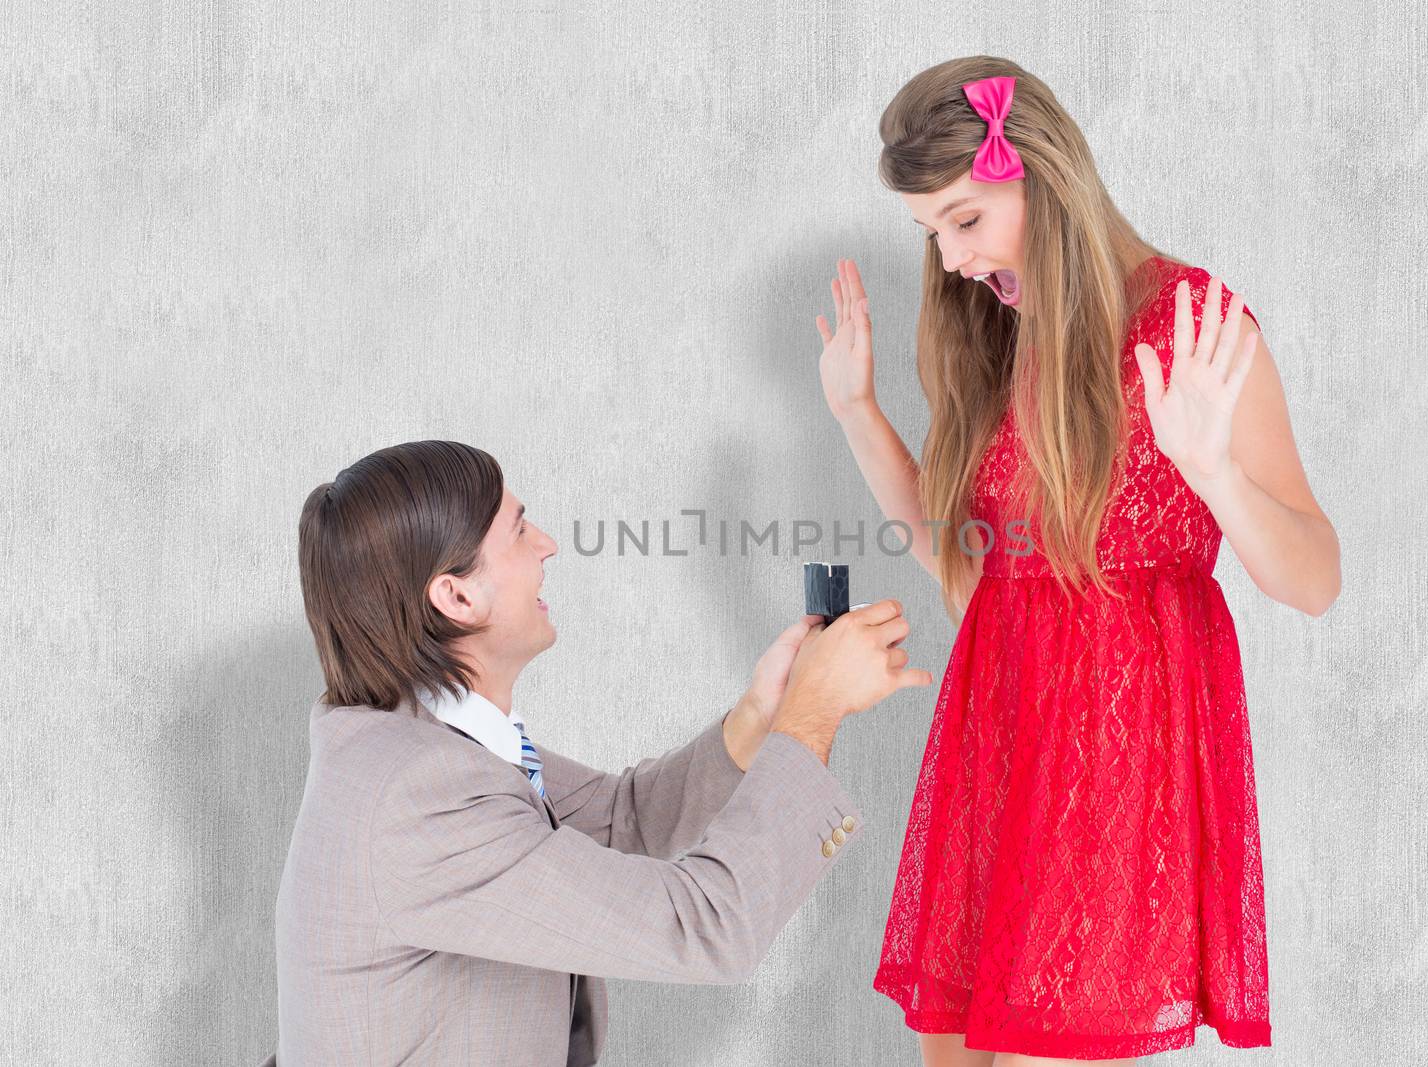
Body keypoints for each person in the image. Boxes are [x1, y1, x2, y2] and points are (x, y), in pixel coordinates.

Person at [813, 57, 1341, 1065]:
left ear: (1037, 172)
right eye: (931, 231)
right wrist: (857, 414)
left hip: (1113, 767)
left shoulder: (1192, 322)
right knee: (952, 1054)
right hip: (997, 746)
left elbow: (1313, 578)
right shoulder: (999, 333)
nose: (953, 256)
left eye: (963, 218)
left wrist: (1216, 472)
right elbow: (976, 578)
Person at [266, 439, 933, 1066]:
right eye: (520, 530)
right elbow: (707, 924)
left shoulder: (421, 736)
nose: (548, 545)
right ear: (457, 595)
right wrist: (812, 716)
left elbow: (617, 819)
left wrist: (762, 714)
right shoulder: (422, 795)